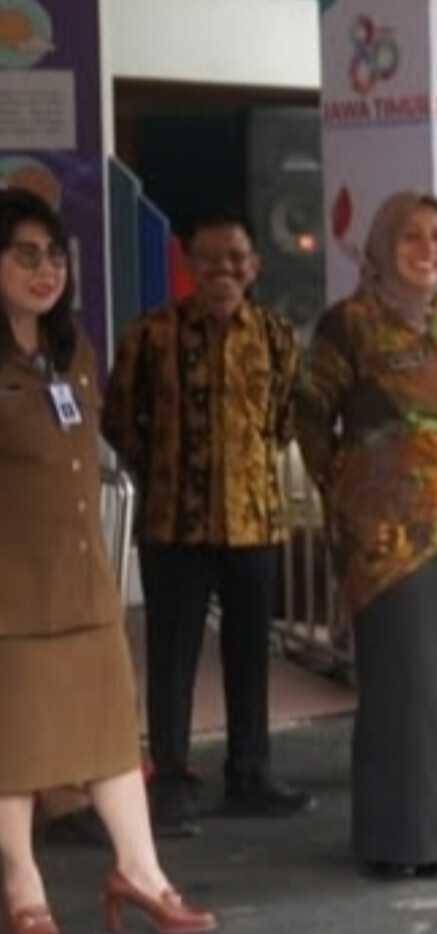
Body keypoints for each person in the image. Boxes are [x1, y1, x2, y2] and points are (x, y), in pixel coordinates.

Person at [0, 187, 219, 934]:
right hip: (12, 590)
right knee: (15, 745)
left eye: (54, 256)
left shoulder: (72, 351)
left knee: (110, 735)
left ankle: (141, 872)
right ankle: (22, 885)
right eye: (24, 254)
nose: (43, 270)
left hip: (85, 578)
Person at [292, 190, 437, 881]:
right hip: (389, 544)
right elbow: (305, 417)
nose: (430, 249)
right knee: (404, 691)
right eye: (413, 238)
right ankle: (397, 839)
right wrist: (353, 492)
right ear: (382, 248)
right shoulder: (348, 325)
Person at [103, 209, 315, 838]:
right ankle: (169, 777)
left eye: (236, 259)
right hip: (175, 523)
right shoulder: (152, 334)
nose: (223, 271)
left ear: (254, 266)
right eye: (208, 260)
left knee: (251, 652)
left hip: (254, 523)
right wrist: (167, 467)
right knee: (172, 655)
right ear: (188, 266)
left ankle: (251, 772)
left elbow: (282, 422)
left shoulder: (276, 337)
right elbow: (120, 418)